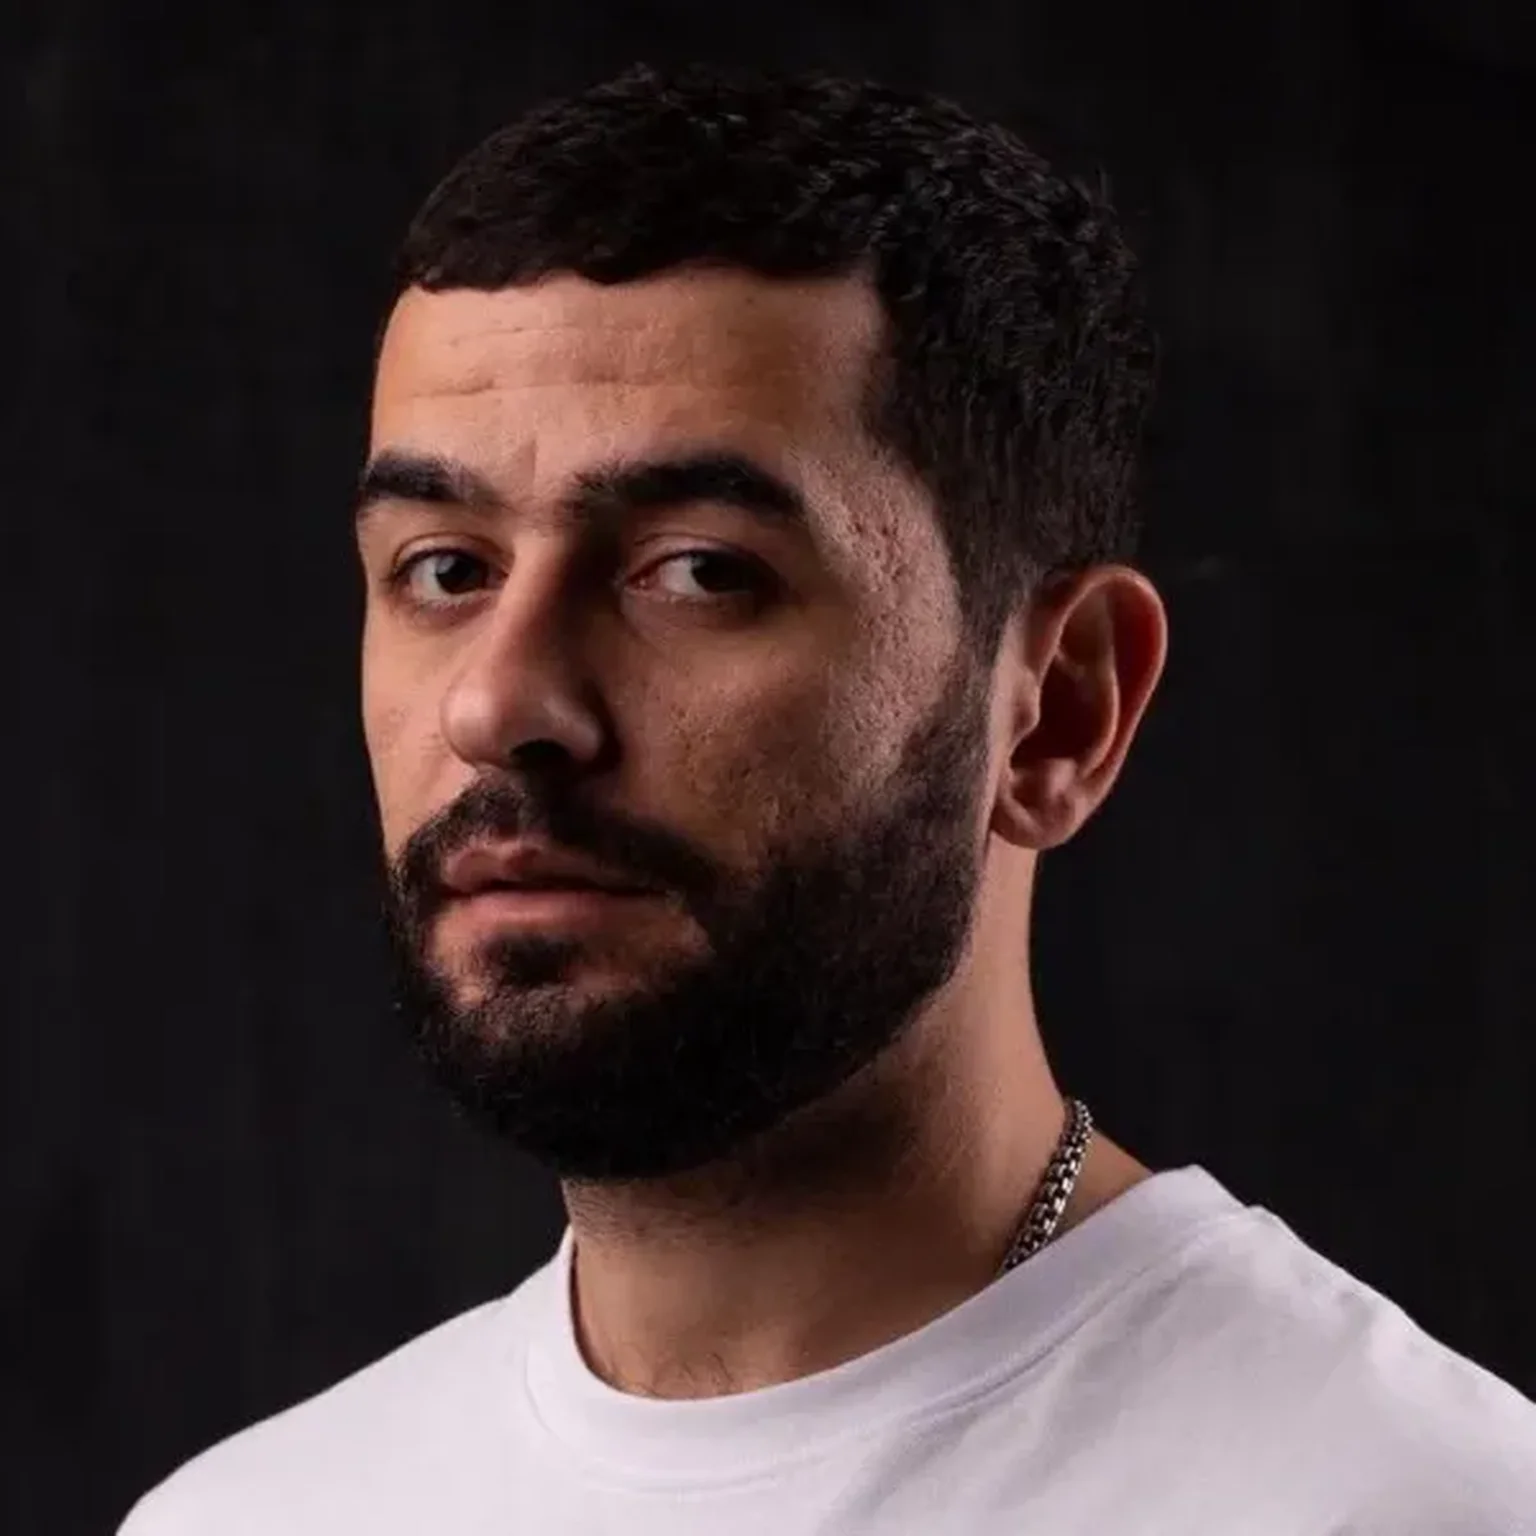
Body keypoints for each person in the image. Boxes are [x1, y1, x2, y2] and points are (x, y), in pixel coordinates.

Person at [119, 62, 1536, 1535]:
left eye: (700, 572)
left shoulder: (1406, 1504)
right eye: (447, 569)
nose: (499, 705)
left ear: (1057, 710)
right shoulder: (249, 1516)